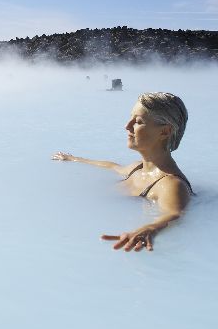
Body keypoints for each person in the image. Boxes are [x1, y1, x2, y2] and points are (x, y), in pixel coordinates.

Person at [52, 92, 192, 253]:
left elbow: (174, 213)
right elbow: (112, 166)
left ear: (165, 132)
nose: (127, 126)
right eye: (131, 118)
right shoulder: (137, 168)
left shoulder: (171, 185)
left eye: (138, 121)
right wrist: (74, 159)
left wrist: (152, 228)